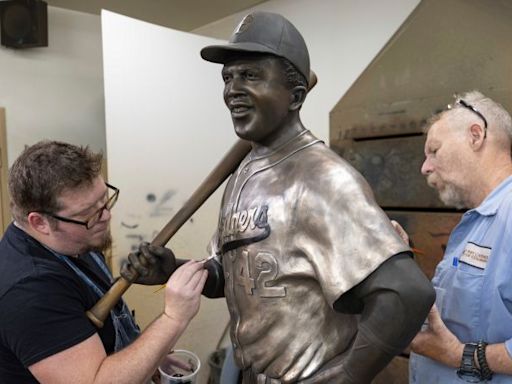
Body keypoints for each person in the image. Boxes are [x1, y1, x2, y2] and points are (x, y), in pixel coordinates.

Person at [137, 11, 434, 383]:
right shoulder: (243, 173)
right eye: (228, 77)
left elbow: (406, 292)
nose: (232, 90)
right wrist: (172, 268)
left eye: (251, 75)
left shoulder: (324, 177)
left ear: (295, 96)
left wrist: (345, 376)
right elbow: (237, 275)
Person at [0, 140, 207, 384]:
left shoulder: (74, 241)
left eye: (104, 200)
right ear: (39, 222)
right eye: (89, 213)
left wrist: (151, 355)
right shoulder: (29, 291)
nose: (106, 216)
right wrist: (174, 318)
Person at [408, 91, 512, 383]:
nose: (425, 167)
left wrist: (461, 356)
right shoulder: (477, 222)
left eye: (435, 151)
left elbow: (456, 347)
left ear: (475, 136)